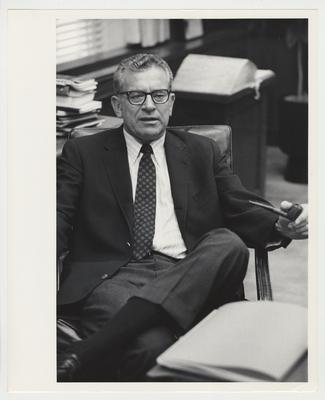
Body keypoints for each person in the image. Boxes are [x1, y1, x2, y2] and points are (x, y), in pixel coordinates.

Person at [57, 53, 308, 382]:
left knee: (227, 242)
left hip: (192, 270)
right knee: (150, 347)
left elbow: (243, 207)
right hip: (116, 276)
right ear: (117, 105)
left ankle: (85, 352)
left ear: (171, 102)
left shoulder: (201, 150)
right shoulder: (83, 153)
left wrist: (282, 224)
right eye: (136, 95)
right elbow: (56, 221)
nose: (149, 105)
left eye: (158, 95)